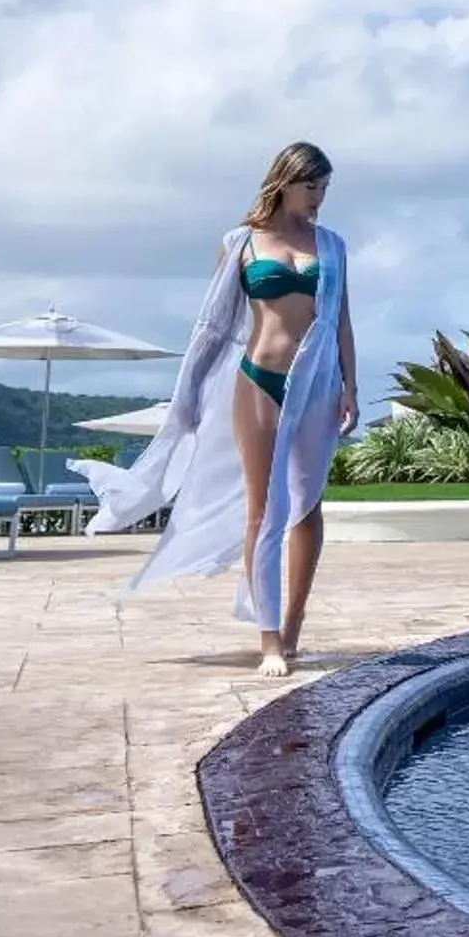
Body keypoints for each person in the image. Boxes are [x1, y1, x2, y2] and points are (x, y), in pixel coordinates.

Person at [86, 142, 356, 679]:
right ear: (284, 182)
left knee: (307, 507)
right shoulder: (240, 244)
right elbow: (212, 327)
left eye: (325, 189)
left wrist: (351, 384)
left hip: (317, 384)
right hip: (258, 379)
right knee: (264, 510)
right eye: (311, 187)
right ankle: (269, 639)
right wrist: (185, 399)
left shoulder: (332, 245)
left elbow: (343, 318)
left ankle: (294, 624)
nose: (319, 199)